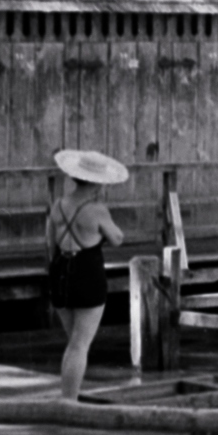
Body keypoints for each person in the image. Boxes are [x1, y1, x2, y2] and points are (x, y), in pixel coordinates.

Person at [46, 150, 127, 400]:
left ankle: (70, 395)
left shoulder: (58, 205)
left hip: (60, 274)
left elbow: (50, 244)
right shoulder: (97, 210)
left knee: (75, 342)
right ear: (97, 182)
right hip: (87, 274)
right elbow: (117, 238)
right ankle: (69, 402)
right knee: (80, 345)